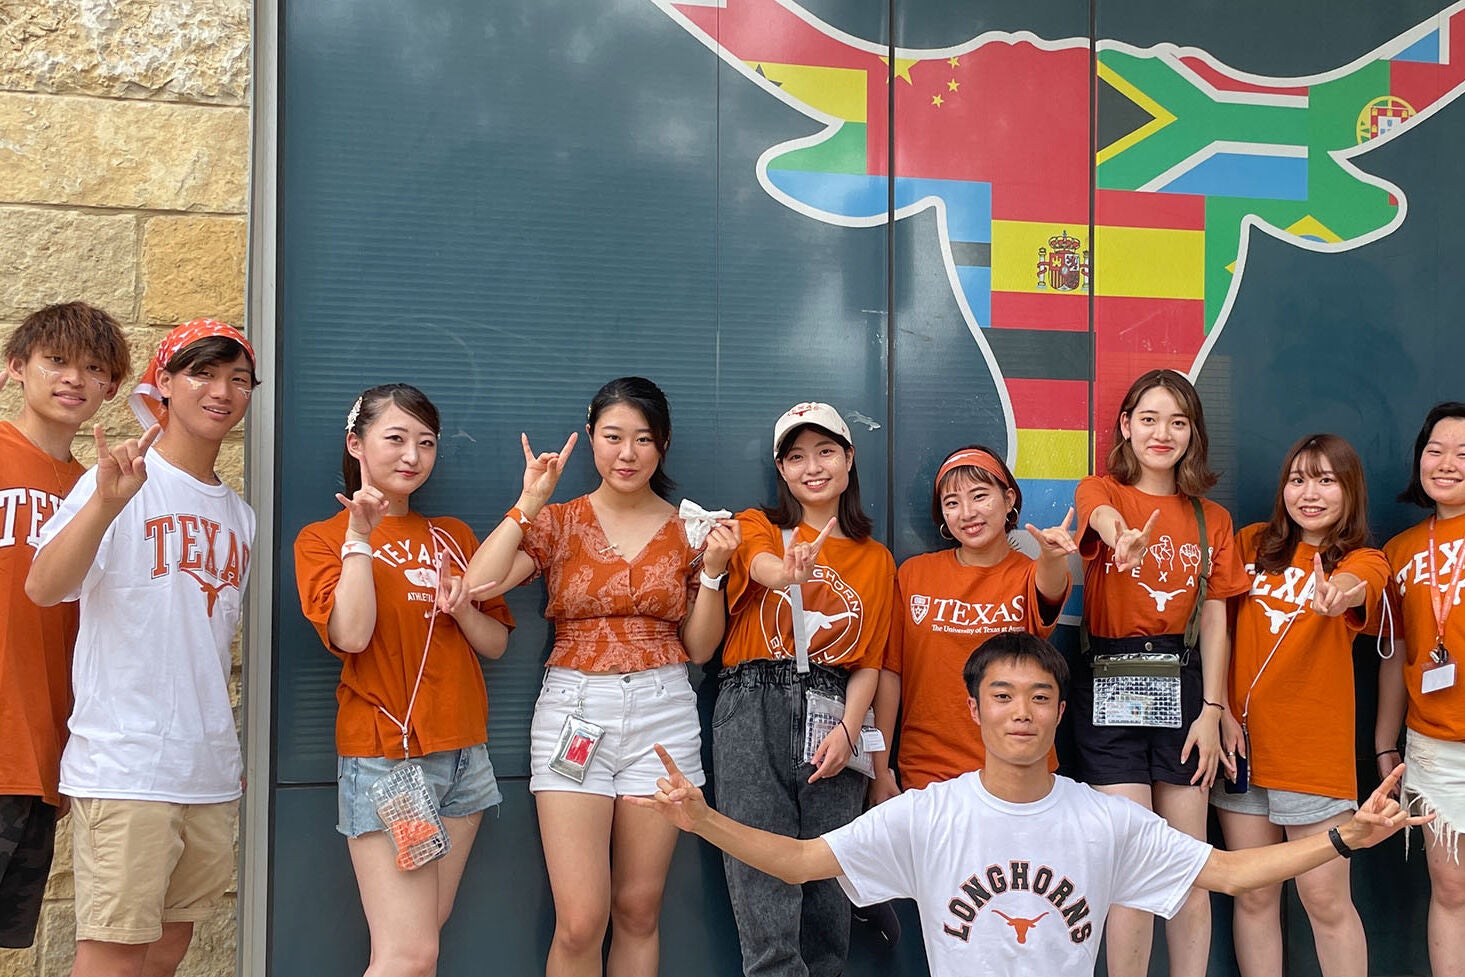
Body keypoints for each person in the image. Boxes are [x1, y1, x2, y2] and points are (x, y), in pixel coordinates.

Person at [630, 632, 1429, 977]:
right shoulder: (929, 812)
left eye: (1038, 696)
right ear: (973, 709)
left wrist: (1342, 840)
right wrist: (701, 818)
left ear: (1058, 713)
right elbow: (804, 860)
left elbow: (1223, 872)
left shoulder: (1104, 818)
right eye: (1002, 695)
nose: (1020, 710)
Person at [463, 376, 739, 977]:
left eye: (643, 439)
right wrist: (529, 502)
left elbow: (699, 649)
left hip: (664, 708)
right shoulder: (559, 521)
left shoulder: (690, 530)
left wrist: (713, 573)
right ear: (590, 438)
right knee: (581, 920)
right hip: (573, 709)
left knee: (639, 910)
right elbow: (477, 585)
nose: (627, 453)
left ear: (662, 446)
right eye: (613, 436)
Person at [26, 319, 258, 977]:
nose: (222, 391)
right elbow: (44, 585)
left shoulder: (239, 514)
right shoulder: (122, 478)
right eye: (203, 373)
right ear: (163, 385)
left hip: (206, 768)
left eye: (238, 379)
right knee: (112, 960)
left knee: (165, 955)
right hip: (127, 764)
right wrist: (102, 503)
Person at [293, 384, 515, 977]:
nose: (412, 455)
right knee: (410, 955)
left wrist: (462, 607)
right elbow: (352, 634)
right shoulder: (322, 538)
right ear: (355, 443)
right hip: (393, 763)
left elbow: (495, 643)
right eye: (395, 438)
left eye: (426, 442)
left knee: (418, 942)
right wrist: (360, 538)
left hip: (464, 759)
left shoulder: (453, 535)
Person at [1073, 368, 1251, 977]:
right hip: (1111, 682)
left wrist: (1213, 711)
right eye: (1148, 418)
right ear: (1126, 425)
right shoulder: (1102, 490)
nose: (1162, 433)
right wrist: (1120, 536)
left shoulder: (1213, 520)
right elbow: (1098, 516)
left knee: (1188, 862)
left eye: (1178, 421)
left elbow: (1219, 622)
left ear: (1192, 433)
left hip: (1188, 688)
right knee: (1129, 863)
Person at [712, 401, 894, 977]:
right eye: (795, 457)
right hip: (751, 701)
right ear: (781, 470)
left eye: (824, 452)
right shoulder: (758, 524)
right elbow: (761, 563)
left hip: (837, 709)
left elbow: (870, 660)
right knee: (759, 876)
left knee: (827, 883)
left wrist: (849, 730)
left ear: (849, 459)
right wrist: (789, 572)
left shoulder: (877, 558)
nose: (811, 467)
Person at [1212, 434, 1388, 977]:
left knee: (1325, 901)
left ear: (1349, 491)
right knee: (1255, 897)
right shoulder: (1250, 544)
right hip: (1240, 750)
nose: (1309, 493)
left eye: (1326, 480)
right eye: (1298, 479)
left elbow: (1362, 585)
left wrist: (1340, 593)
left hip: (1312, 757)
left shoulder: (1362, 559)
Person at [0, 303, 129, 950]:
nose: (75, 378)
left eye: (95, 367)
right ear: (16, 367)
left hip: (44, 757)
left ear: (111, 387)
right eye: (56, 360)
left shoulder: (99, 491)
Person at [872, 444, 1074, 804]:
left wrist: (1052, 557)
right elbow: (891, 673)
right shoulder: (915, 574)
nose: (967, 513)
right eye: (952, 503)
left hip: (1018, 772)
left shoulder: (1029, 574)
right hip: (928, 774)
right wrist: (880, 766)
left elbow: (1050, 584)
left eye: (980, 496)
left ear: (1008, 498)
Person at [1376, 401, 1465, 977]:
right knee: (1450, 888)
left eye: (1464, 453)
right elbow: (1397, 654)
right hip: (1432, 744)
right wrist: (1385, 743)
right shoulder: (1400, 551)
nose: (1448, 463)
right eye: (1436, 449)